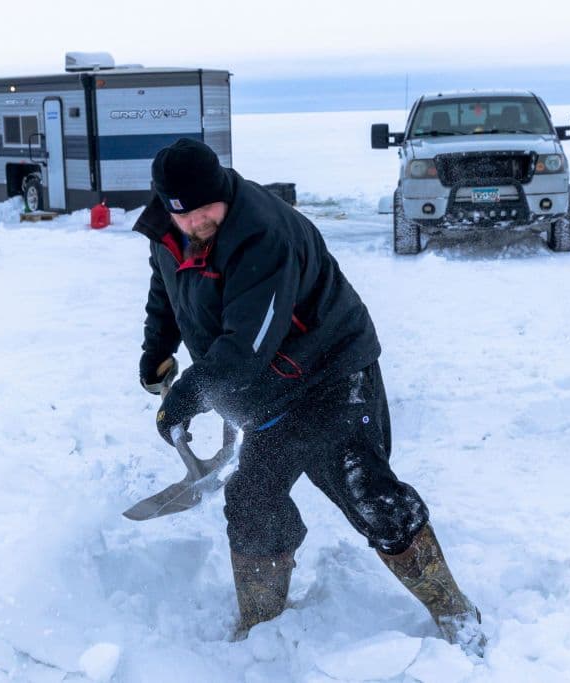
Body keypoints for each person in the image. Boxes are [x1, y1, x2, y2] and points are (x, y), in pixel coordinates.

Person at [133, 138, 485, 654]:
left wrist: (189, 393)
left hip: (329, 373)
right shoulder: (173, 224)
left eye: (205, 211)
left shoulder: (263, 234)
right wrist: (156, 349)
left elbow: (248, 345)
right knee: (252, 500)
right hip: (269, 387)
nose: (194, 225)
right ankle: (260, 627)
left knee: (369, 495)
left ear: (222, 191)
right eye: (182, 216)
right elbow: (167, 289)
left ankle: (454, 610)